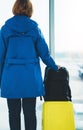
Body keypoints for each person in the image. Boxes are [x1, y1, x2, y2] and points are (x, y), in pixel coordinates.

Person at [0, 0, 60, 130]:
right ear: (29, 10)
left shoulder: (5, 29)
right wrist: (55, 67)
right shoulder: (34, 29)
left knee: (13, 114)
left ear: (15, 8)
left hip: (11, 78)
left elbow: (0, 57)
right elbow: (45, 54)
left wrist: (0, 80)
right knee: (30, 113)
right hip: (30, 78)